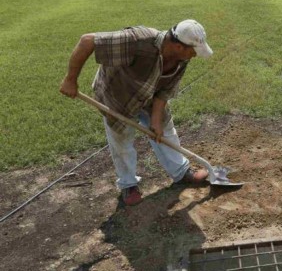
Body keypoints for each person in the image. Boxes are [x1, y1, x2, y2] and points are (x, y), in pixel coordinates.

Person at [60, 19, 213, 206]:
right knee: (121, 140)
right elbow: (87, 41)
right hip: (119, 94)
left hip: (150, 93)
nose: (195, 55)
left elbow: (166, 90)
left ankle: (181, 173)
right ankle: (128, 184)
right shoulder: (138, 41)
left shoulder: (182, 59)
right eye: (193, 51)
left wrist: (155, 120)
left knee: (165, 129)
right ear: (178, 46)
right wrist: (70, 80)